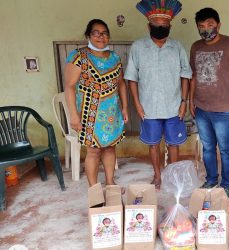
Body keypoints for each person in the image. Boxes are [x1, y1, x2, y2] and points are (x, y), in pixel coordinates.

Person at [125, 0, 192, 190]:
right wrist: (137, 104)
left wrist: (183, 102)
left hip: (173, 106)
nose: (160, 28)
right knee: (153, 144)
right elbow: (132, 78)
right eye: (156, 25)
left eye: (164, 25)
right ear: (149, 25)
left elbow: (185, 75)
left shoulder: (177, 47)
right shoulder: (138, 47)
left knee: (173, 144)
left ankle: (172, 176)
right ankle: (157, 175)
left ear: (170, 26)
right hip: (148, 107)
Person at [189, 7, 229, 201]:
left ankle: (227, 185)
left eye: (210, 24)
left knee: (225, 148)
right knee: (207, 147)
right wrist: (191, 100)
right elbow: (194, 76)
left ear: (218, 24)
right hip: (201, 107)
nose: (206, 29)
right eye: (202, 26)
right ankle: (211, 179)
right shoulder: (196, 46)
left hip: (223, 109)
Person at [65, 19, 128, 187]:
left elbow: (121, 83)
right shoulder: (79, 56)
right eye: (96, 33)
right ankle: (94, 188)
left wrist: (125, 108)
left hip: (111, 113)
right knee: (93, 151)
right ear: (88, 35)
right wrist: (73, 115)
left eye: (105, 33)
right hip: (89, 114)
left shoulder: (115, 57)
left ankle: (109, 181)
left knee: (109, 148)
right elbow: (70, 86)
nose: (101, 36)